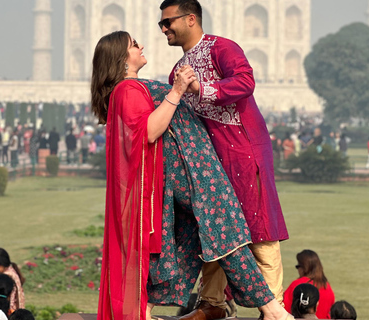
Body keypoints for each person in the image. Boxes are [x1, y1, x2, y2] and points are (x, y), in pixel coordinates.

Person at [92, 31, 292, 320]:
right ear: (121, 58)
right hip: (191, 172)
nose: (142, 46)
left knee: (190, 239)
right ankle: (271, 308)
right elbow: (148, 131)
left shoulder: (132, 87)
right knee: (226, 230)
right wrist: (176, 90)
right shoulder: (126, 90)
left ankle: (144, 310)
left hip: (193, 168)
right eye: (134, 45)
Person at [159, 1, 289, 317]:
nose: (164, 29)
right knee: (214, 228)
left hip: (245, 149)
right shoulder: (177, 72)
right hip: (212, 159)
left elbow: (245, 82)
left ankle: (274, 306)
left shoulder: (222, 48)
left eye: (168, 22)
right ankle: (212, 302)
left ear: (191, 19)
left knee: (260, 229)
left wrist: (202, 87)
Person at [283, 250, 334, 319]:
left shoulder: (298, 285)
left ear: (304, 268)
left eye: (298, 266)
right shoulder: (327, 287)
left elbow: (283, 308)